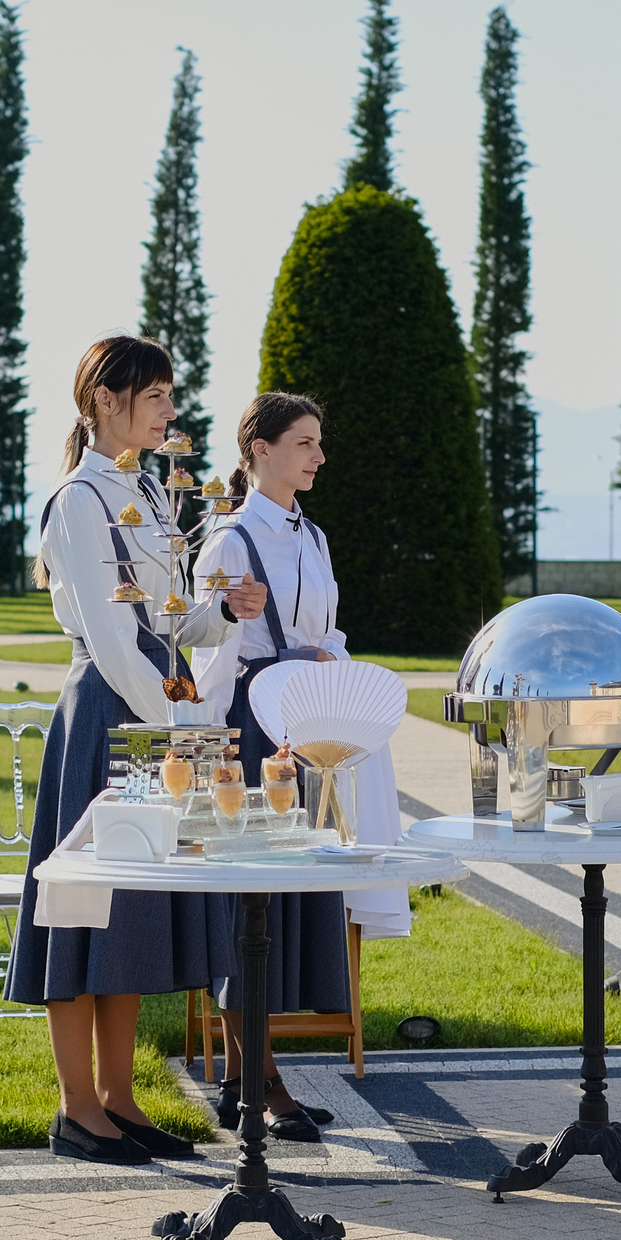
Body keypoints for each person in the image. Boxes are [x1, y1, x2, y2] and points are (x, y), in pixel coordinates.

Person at [7, 335, 269, 1163]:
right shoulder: (77, 501)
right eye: (155, 395)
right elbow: (115, 642)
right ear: (105, 401)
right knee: (83, 906)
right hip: (110, 713)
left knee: (125, 906)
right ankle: (76, 1106)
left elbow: (165, 622)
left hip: (157, 711)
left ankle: (119, 1099)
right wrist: (178, 722)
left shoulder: (154, 496)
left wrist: (222, 613)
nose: (168, 411)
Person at [189, 394, 410, 1138]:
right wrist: (222, 741)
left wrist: (332, 670)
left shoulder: (311, 536)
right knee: (250, 907)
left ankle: (250, 1079)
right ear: (258, 448)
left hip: (309, 730)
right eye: (305, 443)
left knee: (288, 910)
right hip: (253, 735)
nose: (318, 456)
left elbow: (327, 631)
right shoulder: (228, 541)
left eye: (320, 442)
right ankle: (260, 1085)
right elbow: (211, 653)